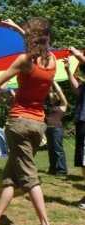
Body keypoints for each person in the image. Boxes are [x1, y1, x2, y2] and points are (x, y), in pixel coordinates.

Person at [0, 18, 54, 225]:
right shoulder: (51, 63)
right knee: (11, 175)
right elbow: (37, 44)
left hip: (19, 122)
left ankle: (45, 224)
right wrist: (18, 28)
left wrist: (4, 86)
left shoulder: (23, 60)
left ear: (30, 37)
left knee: (29, 176)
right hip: (38, 123)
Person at [63, 49, 85, 209]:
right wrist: (68, 70)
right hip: (81, 121)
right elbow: (76, 88)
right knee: (83, 161)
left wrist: (74, 51)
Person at [45, 81, 68, 175]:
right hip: (49, 129)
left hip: (56, 129)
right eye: (53, 96)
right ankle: (53, 169)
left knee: (58, 150)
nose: (53, 96)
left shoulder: (63, 105)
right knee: (51, 150)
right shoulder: (53, 105)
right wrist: (48, 80)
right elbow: (49, 91)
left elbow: (59, 91)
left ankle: (62, 170)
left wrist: (53, 81)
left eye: (56, 95)